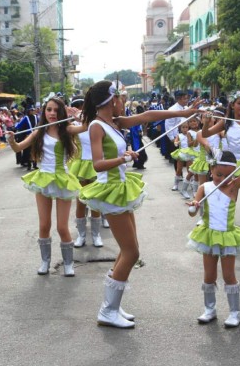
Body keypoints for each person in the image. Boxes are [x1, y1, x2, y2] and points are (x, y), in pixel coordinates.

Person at [79, 80, 201, 329]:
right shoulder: (96, 126)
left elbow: (148, 115)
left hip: (121, 188)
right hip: (110, 190)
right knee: (131, 253)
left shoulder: (115, 122)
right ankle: (108, 310)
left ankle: (111, 306)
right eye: (121, 98)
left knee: (129, 251)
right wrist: (123, 157)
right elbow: (97, 165)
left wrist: (184, 113)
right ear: (111, 101)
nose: (123, 102)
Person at [6, 97, 83, 277]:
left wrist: (77, 115)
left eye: (56, 110)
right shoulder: (39, 131)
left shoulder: (68, 129)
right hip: (43, 178)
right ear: (44, 112)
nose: (52, 113)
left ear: (61, 112)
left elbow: (87, 126)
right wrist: (10, 139)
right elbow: (18, 148)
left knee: (62, 227)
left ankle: (68, 263)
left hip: (62, 178)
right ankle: (45, 262)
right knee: (44, 224)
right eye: (49, 110)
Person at [186, 149, 240, 328]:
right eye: (219, 174)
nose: (223, 179)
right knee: (209, 274)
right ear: (211, 170)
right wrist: (195, 205)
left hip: (227, 236)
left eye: (229, 175)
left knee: (229, 275)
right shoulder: (204, 188)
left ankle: (235, 313)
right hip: (209, 235)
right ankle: (209, 310)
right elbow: (193, 213)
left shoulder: (234, 186)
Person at [202, 93, 240, 244]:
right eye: (239, 103)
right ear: (232, 105)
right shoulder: (226, 121)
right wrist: (207, 122)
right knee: (228, 198)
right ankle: (223, 226)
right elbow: (206, 133)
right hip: (229, 165)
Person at [68, 97, 104, 248]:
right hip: (80, 165)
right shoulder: (72, 124)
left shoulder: (97, 122)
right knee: (81, 201)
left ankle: (96, 235)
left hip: (96, 164)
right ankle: (82, 235)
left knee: (95, 201)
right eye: (80, 107)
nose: (82, 109)